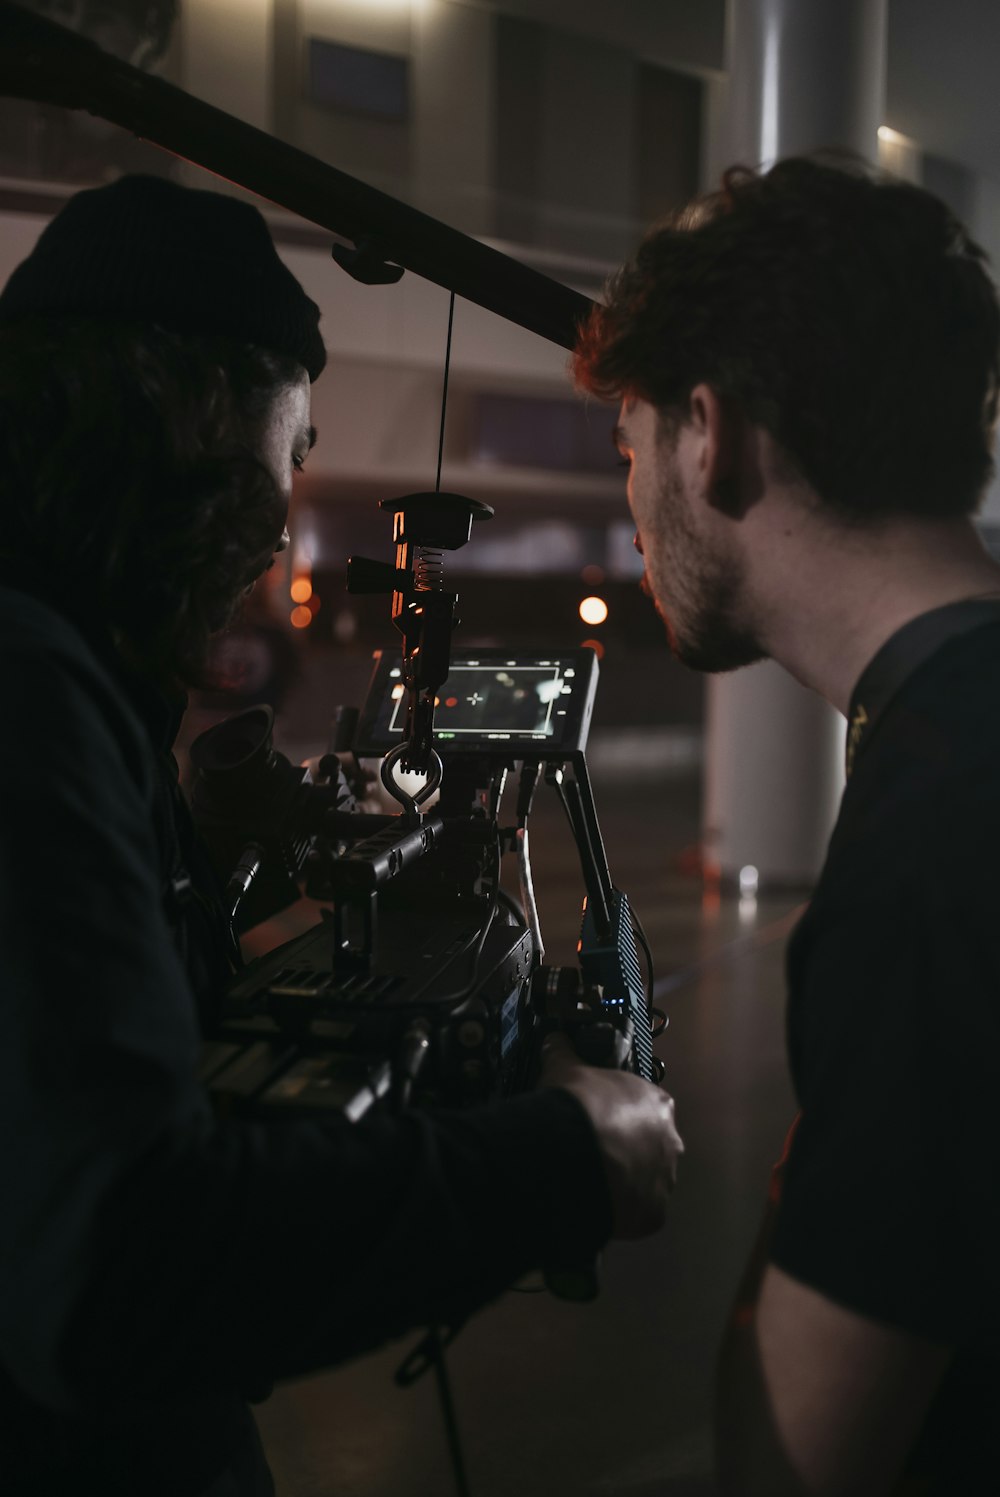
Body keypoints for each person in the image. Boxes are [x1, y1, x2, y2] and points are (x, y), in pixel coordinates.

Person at [0, 174, 682, 1496]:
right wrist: (560, 1160)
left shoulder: (63, 661)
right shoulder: (32, 695)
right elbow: (120, 1263)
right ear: (193, 409)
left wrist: (198, 854)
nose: (277, 515)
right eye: (291, 444)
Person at [574, 154, 1000, 1496]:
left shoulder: (934, 843)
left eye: (632, 447)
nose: (633, 508)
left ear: (713, 433)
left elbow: (795, 1459)